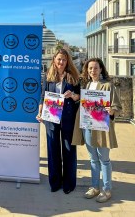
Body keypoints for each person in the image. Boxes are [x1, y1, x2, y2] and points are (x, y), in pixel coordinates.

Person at [72, 58, 122, 203]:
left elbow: (117, 107)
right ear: (87, 71)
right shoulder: (87, 85)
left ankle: (106, 190)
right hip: (88, 127)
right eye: (90, 68)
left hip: (101, 129)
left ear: (101, 69)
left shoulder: (108, 86)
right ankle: (95, 187)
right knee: (93, 159)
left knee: (104, 160)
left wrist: (112, 110)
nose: (92, 71)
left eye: (95, 68)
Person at [36, 48, 81, 194]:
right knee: (53, 151)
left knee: (69, 151)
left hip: (68, 118)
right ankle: (54, 182)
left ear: (68, 61)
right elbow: (43, 96)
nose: (61, 62)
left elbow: (80, 97)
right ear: (54, 60)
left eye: (64, 59)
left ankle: (69, 184)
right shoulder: (48, 76)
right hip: (51, 118)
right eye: (59, 59)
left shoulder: (74, 76)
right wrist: (40, 112)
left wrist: (73, 95)